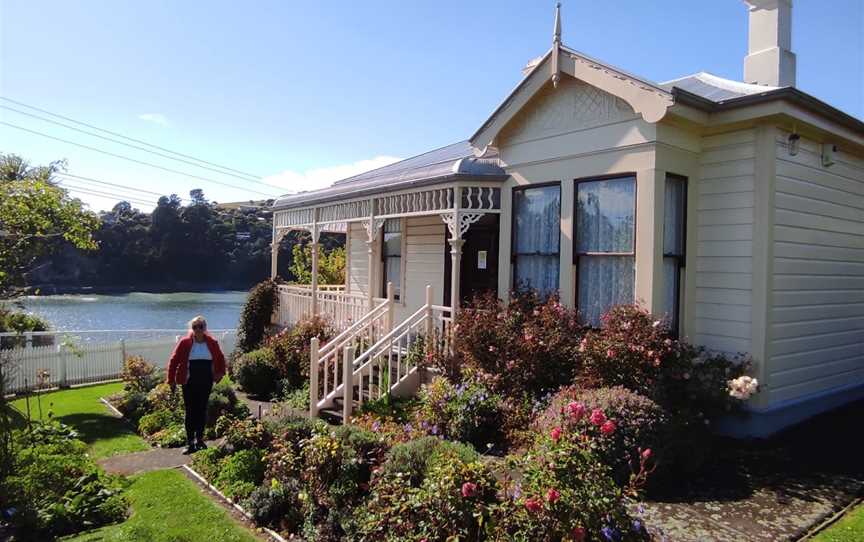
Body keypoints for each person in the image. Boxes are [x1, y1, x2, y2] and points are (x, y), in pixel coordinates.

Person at [167, 315, 226, 454]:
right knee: (190, 411)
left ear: (205, 328)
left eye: (201, 326)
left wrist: (220, 374)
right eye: (195, 327)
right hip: (188, 382)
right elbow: (173, 361)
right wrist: (171, 380)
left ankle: (200, 440)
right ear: (191, 329)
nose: (198, 329)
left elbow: (221, 358)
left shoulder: (212, 342)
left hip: (205, 382)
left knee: (202, 410)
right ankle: (189, 443)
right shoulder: (185, 343)